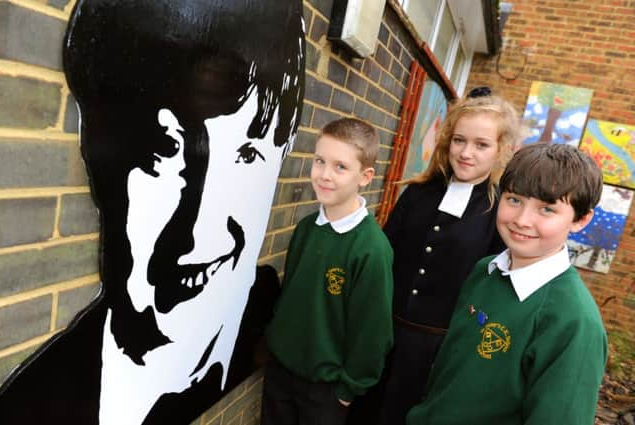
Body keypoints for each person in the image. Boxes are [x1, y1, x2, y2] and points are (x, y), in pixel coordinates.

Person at [0, 0, 304, 424]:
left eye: (247, 155)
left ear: (284, 152)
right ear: (96, 155)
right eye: (166, 150)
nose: (198, 232)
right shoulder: (30, 407)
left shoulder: (273, 319)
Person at [406, 143, 607, 425]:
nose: (522, 220)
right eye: (514, 200)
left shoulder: (574, 321)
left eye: (547, 210)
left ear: (581, 219)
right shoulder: (484, 271)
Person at [372, 90, 522, 425]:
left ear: (501, 150)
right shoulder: (418, 193)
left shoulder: (499, 212)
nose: (466, 153)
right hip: (381, 336)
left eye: (481, 144)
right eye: (459, 141)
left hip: (438, 354)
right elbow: (382, 259)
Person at [260, 118, 394, 425]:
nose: (324, 175)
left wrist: (349, 388)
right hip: (281, 373)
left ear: (366, 176)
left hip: (325, 389)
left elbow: (372, 332)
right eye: (320, 161)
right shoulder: (307, 228)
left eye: (340, 167)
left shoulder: (371, 248)